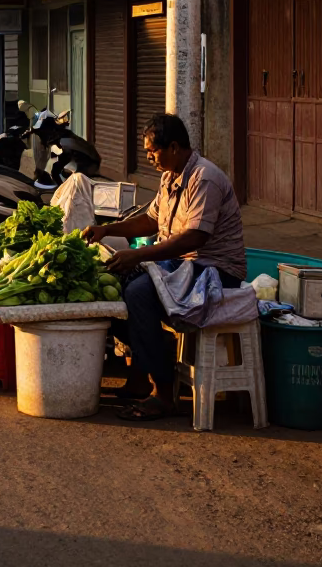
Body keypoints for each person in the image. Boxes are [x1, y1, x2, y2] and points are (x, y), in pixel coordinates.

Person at [83, 113, 246, 422]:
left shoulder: (204, 178)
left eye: (152, 151)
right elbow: (151, 220)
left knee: (140, 294)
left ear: (173, 147)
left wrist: (140, 255)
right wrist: (108, 229)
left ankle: (163, 393)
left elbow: (194, 238)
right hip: (181, 266)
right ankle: (141, 373)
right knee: (113, 281)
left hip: (213, 271)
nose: (148, 157)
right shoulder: (169, 176)